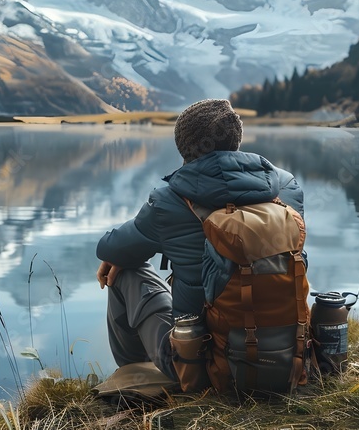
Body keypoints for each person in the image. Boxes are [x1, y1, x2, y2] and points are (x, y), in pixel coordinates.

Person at [95, 98, 304, 382]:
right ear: (236, 139)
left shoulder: (169, 200)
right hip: (287, 356)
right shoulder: (286, 188)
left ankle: (133, 377)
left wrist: (121, 257)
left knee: (124, 269)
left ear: (183, 145)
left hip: (199, 366)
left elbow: (108, 247)